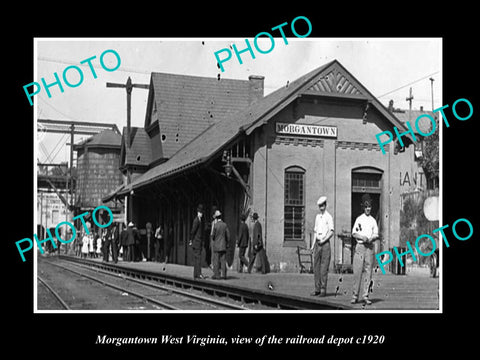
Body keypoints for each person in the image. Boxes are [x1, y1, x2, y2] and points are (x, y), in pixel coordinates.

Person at [351, 195, 379, 305]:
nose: (368, 209)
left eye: (370, 206)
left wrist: (372, 238)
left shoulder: (373, 221)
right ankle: (355, 295)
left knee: (368, 272)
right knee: (357, 271)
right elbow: (354, 233)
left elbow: (376, 233)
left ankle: (365, 295)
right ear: (363, 207)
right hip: (360, 247)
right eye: (366, 206)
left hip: (370, 247)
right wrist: (362, 237)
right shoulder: (359, 219)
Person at [310, 196, 334, 297]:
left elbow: (331, 231)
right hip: (318, 244)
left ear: (325, 205)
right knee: (316, 267)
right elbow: (315, 232)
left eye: (323, 206)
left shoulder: (329, 217)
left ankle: (323, 290)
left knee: (324, 268)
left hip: (325, 244)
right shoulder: (317, 217)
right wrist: (312, 245)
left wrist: (324, 240)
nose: (321, 208)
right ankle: (317, 289)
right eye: (320, 206)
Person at [211, 210, 230, 279]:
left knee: (216, 261)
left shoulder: (215, 226)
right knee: (223, 261)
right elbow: (228, 235)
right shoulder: (225, 225)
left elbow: (213, 236)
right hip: (223, 246)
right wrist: (227, 243)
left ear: (216, 217)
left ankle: (217, 275)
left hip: (216, 246)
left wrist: (214, 239)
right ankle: (224, 275)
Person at [189, 204, 206, 279]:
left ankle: (195, 274)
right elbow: (193, 231)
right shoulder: (196, 220)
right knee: (198, 258)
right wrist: (191, 240)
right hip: (197, 242)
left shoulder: (199, 220)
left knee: (197, 258)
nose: (202, 214)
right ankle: (199, 274)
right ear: (198, 212)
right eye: (201, 212)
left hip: (197, 242)